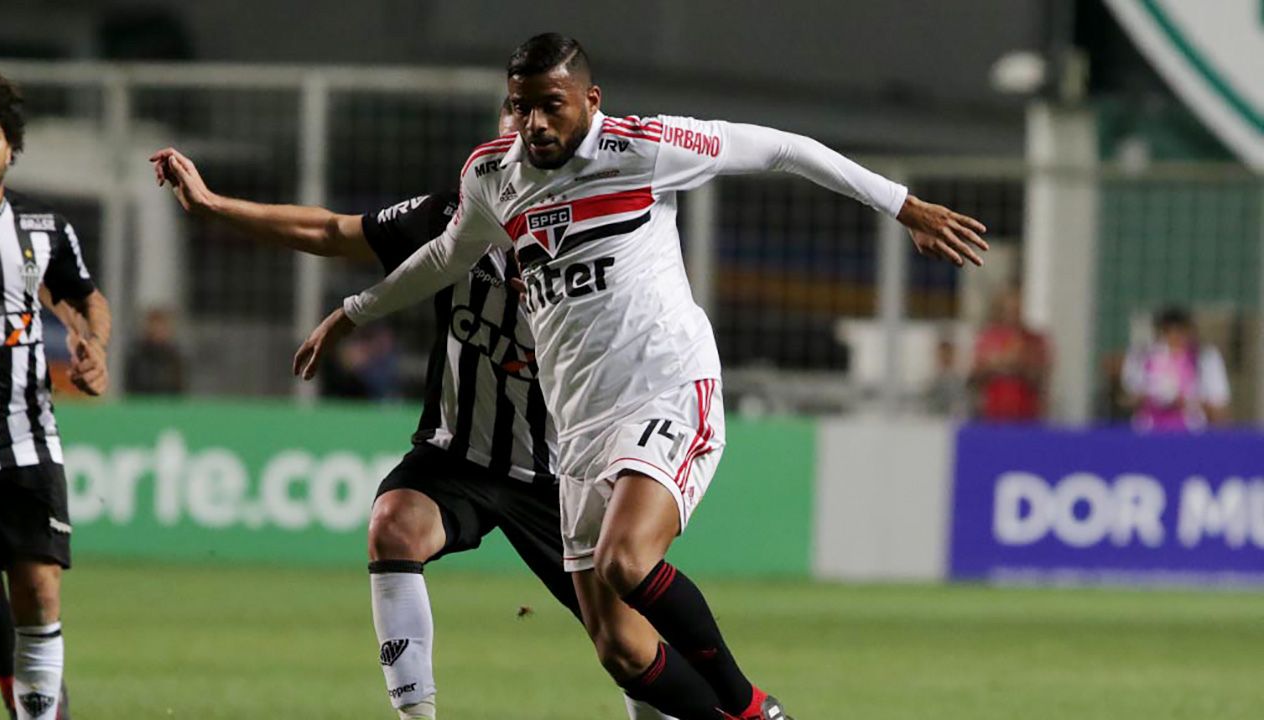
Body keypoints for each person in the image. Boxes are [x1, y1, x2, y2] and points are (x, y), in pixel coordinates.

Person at [297, 33, 988, 720]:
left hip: (666, 389)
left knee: (628, 558)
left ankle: (750, 710)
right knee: (621, 649)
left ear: (590, 101)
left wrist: (904, 206)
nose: (535, 122)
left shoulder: (645, 149)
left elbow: (782, 147)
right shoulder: (492, 176)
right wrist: (354, 312)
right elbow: (446, 257)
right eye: (521, 106)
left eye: (552, 105)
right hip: (579, 429)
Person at [150, 100, 672, 720]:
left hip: (564, 475)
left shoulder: (600, 238)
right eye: (511, 126)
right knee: (393, 524)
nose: (521, 142)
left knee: (627, 649)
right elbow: (330, 231)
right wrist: (214, 205)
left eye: (538, 129)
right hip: (457, 456)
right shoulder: (449, 220)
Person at [0, 69, 112, 720]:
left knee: (39, 592)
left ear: (11, 148)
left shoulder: (43, 231)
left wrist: (94, 348)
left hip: (27, 439)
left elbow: (89, 300)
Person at [1121, 306, 1230, 431]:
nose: (1174, 337)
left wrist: (1187, 403)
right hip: (1149, 429)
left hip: (1191, 431)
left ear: (1189, 332)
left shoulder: (1205, 357)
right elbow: (1128, 397)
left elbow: (1218, 406)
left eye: (1179, 331)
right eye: (1168, 332)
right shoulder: (1142, 356)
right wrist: (1150, 399)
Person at [970, 286, 1049, 423]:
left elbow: (1041, 376)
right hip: (993, 413)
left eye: (1017, 309)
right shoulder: (988, 338)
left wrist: (1019, 365)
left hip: (1027, 414)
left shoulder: (1035, 340)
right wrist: (998, 364)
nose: (1013, 313)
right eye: (1010, 308)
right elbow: (976, 375)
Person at [123, 307, 185, 395]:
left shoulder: (175, 359)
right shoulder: (137, 359)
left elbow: (180, 389)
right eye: (154, 327)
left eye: (161, 328)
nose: (157, 332)